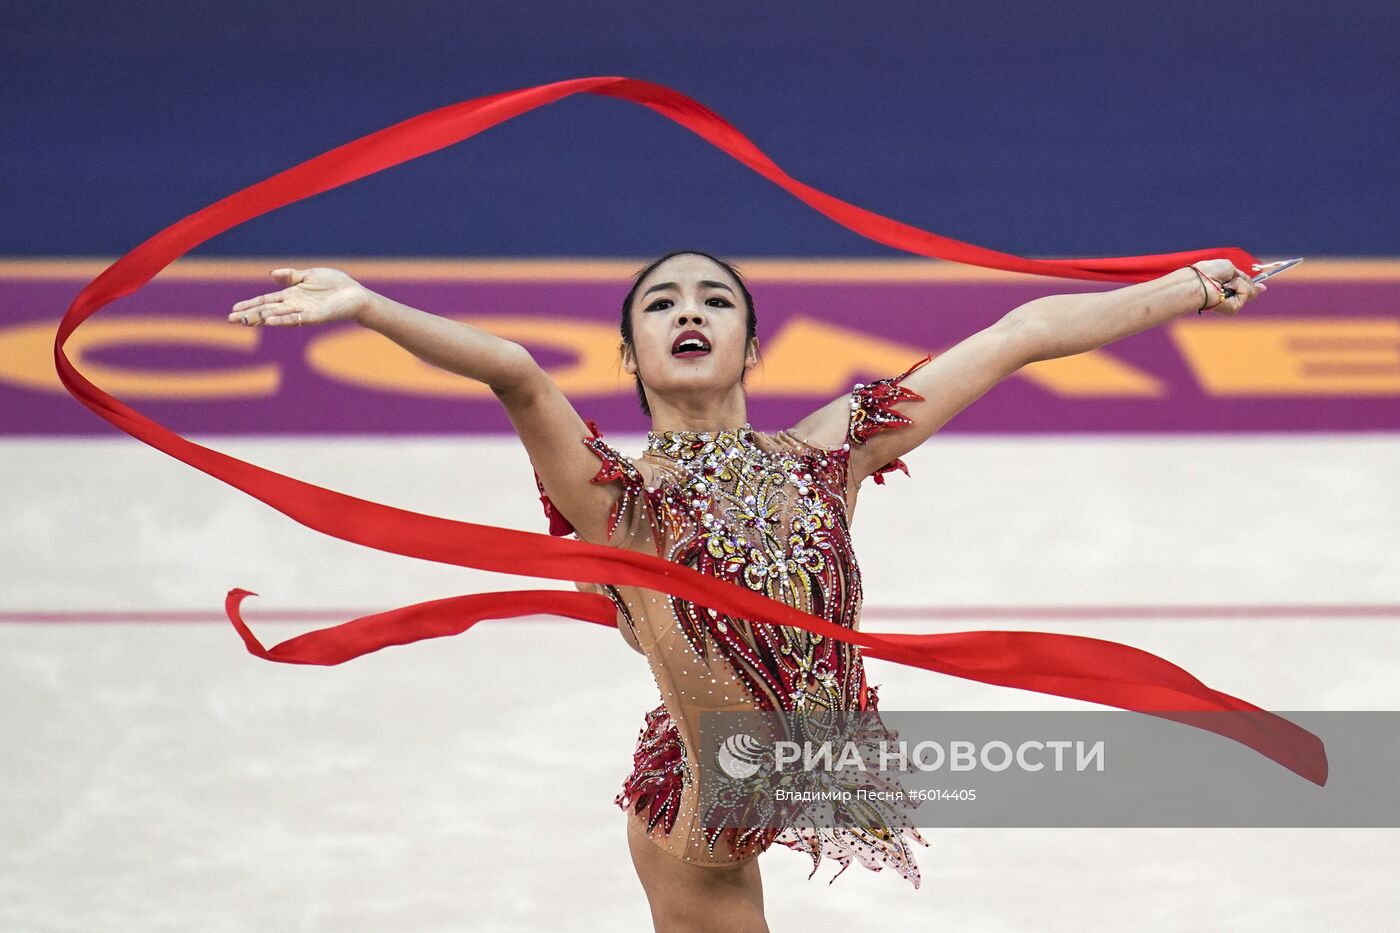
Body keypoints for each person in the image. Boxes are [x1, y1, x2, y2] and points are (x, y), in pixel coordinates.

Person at [228, 250, 1263, 932]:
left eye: (714, 301)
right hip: (701, 819)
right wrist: (362, 304)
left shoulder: (830, 454)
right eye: (661, 304)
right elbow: (512, 372)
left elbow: (1016, 335)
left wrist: (1187, 286)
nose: (689, 311)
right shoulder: (618, 504)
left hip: (819, 757)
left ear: (752, 345)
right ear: (629, 354)